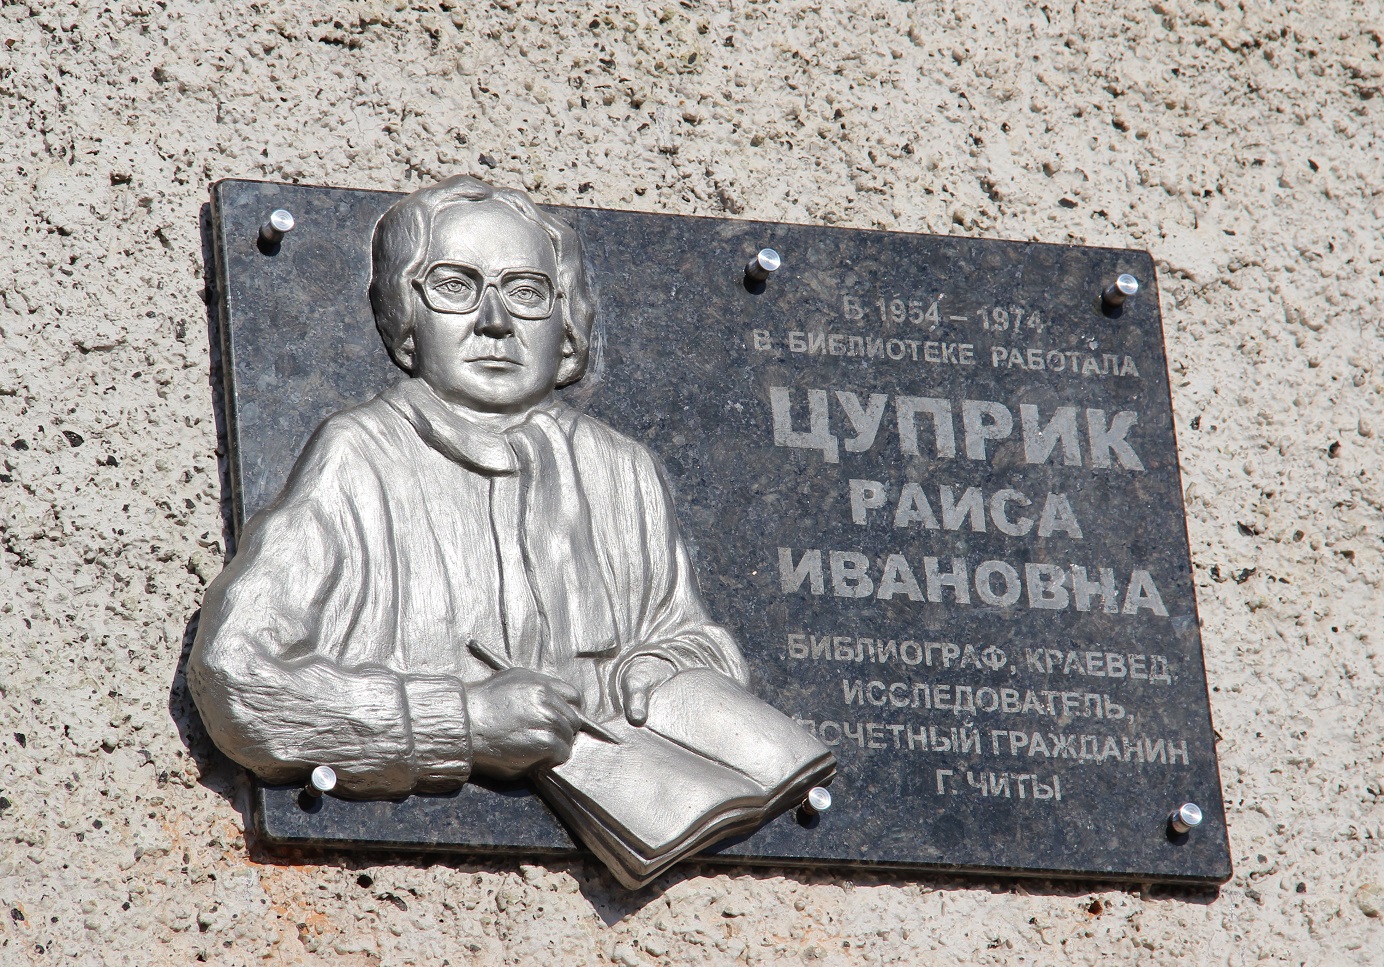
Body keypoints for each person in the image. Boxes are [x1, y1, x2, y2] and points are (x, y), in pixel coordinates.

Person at [188, 175, 751, 798]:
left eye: (526, 292)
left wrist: (662, 668)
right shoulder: (358, 455)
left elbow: (687, 633)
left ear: (565, 322)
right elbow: (234, 677)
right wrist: (466, 721)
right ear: (407, 318)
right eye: (455, 286)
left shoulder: (620, 468)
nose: (495, 321)